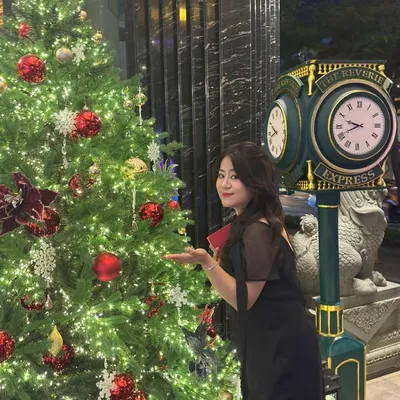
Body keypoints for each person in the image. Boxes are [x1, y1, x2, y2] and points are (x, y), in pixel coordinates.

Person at [163, 142, 323, 400]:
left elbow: (244, 298)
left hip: (281, 347)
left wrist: (207, 262)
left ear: (255, 181)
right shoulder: (252, 220)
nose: (224, 184)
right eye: (221, 175)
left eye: (235, 177)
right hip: (274, 339)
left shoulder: (257, 230)